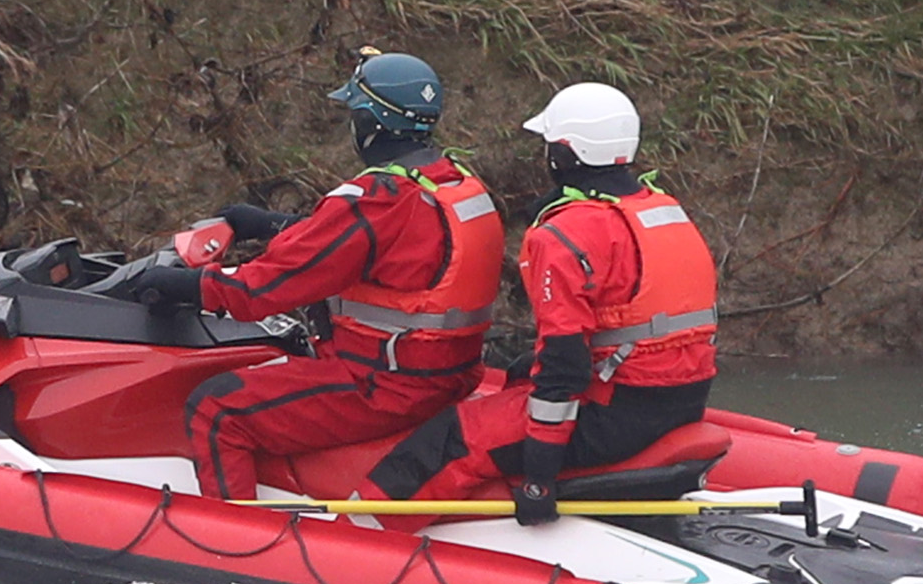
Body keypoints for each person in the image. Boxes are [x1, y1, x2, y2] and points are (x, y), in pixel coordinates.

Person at [108, 52, 503, 502]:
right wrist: (269, 223)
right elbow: (365, 244)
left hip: (385, 385)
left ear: (369, 123)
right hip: (449, 374)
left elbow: (263, 290)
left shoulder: (376, 199)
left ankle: (229, 549)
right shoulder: (450, 183)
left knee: (217, 409)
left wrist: (191, 287)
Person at [364, 80, 719, 523]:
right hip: (680, 399)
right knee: (517, 377)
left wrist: (540, 475)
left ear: (566, 153)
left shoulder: (563, 234)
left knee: (449, 437)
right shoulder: (662, 209)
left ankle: (365, 530)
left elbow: (565, 367)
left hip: (613, 413)